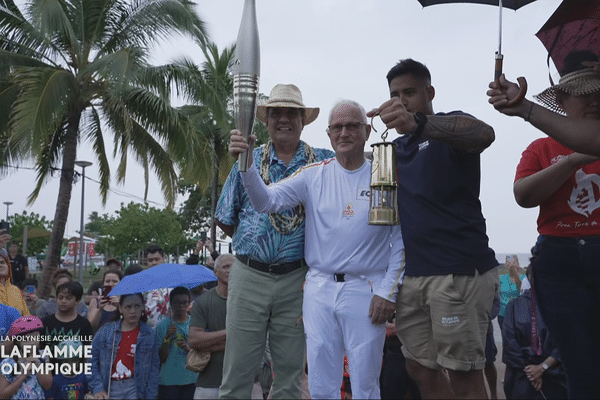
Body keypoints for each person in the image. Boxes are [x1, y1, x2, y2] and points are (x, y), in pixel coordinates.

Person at [232, 100, 404, 399]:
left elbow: (401, 239)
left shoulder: (384, 177)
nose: (344, 132)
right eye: (337, 127)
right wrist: (246, 165)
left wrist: (388, 291)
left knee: (365, 383)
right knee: (322, 384)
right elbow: (266, 202)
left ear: (366, 130)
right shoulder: (313, 175)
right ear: (328, 134)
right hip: (319, 289)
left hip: (367, 290)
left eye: (352, 126)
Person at [367, 58, 499, 399]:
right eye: (394, 94)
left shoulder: (447, 130)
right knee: (419, 369)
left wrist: (419, 123)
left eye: (409, 92)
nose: (401, 101)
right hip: (412, 277)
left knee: (464, 374)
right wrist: (353, 132)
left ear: (430, 92)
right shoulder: (393, 151)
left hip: (458, 271)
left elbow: (485, 133)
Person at [488, 49, 600, 398]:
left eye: (599, 92)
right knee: (578, 363)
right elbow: (523, 195)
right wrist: (571, 162)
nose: (593, 100)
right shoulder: (541, 147)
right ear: (562, 99)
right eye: (583, 94)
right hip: (559, 260)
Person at [215, 83, 334, 399]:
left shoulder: (324, 163)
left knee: (290, 374)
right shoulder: (247, 161)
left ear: (303, 120)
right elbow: (226, 219)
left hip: (297, 279)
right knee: (237, 372)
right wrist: (258, 242)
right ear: (265, 122)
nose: (284, 119)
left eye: (291, 113)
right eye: (276, 113)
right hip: (249, 275)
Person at [502, 266, 567, 400]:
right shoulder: (563, 307)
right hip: (553, 375)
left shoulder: (513, 306)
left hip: (524, 376)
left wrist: (533, 370)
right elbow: (566, 343)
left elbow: (510, 344)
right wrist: (540, 368)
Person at [90, 293, 160, 399]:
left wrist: (150, 395)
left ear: (142, 307)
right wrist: (98, 388)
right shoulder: (105, 332)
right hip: (110, 388)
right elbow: (91, 361)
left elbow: (154, 368)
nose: (133, 311)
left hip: (136, 389)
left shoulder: (149, 334)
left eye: (137, 306)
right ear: (120, 308)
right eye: (128, 307)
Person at [189, 254, 233, 399]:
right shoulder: (202, 302)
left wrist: (208, 344)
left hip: (239, 382)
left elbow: (252, 341)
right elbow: (194, 340)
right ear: (215, 272)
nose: (230, 270)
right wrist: (231, 333)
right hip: (208, 383)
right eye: (225, 266)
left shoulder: (247, 302)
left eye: (234, 267)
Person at [155, 286, 198, 399]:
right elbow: (161, 358)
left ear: (189, 303)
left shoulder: (195, 323)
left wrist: (187, 348)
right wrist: (167, 337)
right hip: (169, 381)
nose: (181, 306)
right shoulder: (163, 326)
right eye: (177, 303)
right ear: (171, 304)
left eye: (184, 303)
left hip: (191, 378)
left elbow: (201, 352)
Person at [0, 316, 53, 399]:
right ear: (17, 342)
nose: (31, 343)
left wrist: (39, 366)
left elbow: (47, 385)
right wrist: (23, 375)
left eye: (35, 338)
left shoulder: (43, 356)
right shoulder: (9, 363)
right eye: (26, 339)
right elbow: (2, 395)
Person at [41, 281, 94, 365]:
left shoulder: (84, 324)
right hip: (50, 372)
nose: (63, 301)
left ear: (77, 301)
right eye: (60, 297)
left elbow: (88, 351)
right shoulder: (45, 322)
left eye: (68, 298)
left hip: (74, 372)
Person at [143, 245, 171, 327]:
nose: (154, 263)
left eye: (157, 259)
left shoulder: (172, 281)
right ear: (146, 261)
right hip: (147, 330)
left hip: (169, 330)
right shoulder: (142, 283)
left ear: (163, 258)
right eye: (150, 260)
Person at [498, 255, 526, 331]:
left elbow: (521, 288)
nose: (511, 264)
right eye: (508, 262)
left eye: (513, 262)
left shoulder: (524, 278)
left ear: (518, 264)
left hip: (518, 314)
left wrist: (515, 273)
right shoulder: (501, 278)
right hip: (503, 314)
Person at [0, 248, 29, 316]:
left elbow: (26, 318)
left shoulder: (15, 290)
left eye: (2, 262)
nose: (0, 265)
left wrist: (32, 305)